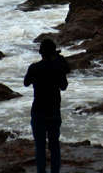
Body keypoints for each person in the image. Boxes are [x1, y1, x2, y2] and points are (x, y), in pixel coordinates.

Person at [24, 38, 70, 173]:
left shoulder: (34, 67)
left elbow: (26, 83)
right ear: (53, 52)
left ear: (40, 52)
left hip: (38, 111)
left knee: (40, 147)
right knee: (54, 145)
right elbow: (64, 86)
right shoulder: (57, 68)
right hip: (54, 111)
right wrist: (60, 61)